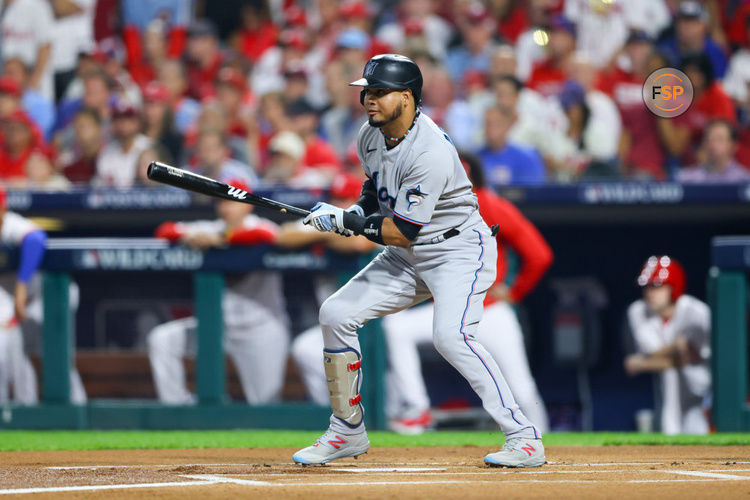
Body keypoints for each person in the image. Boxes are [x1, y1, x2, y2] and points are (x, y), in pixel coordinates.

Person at [293, 54, 545, 468]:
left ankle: (524, 437)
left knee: (452, 337)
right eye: (366, 92)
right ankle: (347, 430)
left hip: (458, 250)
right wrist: (352, 213)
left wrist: (349, 222)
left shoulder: (429, 150)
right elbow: (374, 191)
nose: (368, 99)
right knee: (335, 313)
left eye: (379, 92)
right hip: (409, 256)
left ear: (407, 98)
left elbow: (401, 230)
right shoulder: (369, 135)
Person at [382, 152, 552, 434]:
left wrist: (515, 292)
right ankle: (417, 408)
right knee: (397, 327)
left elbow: (539, 255)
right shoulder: (430, 207)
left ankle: (546, 440)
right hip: (450, 311)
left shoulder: (489, 204)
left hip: (489, 311)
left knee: (521, 386)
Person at [147, 180, 290, 405]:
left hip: (261, 330)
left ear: (248, 205)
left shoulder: (262, 226)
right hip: (217, 328)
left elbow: (265, 237)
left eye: (233, 201)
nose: (226, 207)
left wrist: (223, 240)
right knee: (162, 339)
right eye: (221, 202)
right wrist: (188, 236)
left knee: (266, 404)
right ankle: (179, 411)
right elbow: (164, 230)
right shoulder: (211, 228)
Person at [0, 187, 85, 405]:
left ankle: (75, 408)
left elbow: (36, 239)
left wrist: (21, 286)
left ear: (3, 207)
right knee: (14, 350)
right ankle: (25, 407)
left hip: (49, 295)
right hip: (14, 302)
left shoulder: (12, 223)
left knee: (56, 353)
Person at [624, 256, 711, 435]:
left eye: (657, 286)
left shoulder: (697, 312)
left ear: (674, 287)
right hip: (666, 394)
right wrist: (676, 348)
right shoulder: (638, 311)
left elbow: (695, 358)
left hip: (702, 392)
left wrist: (642, 363)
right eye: (647, 287)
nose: (650, 293)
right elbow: (654, 353)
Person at [677, 120, 750, 183]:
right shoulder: (686, 179)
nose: (713, 144)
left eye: (720, 139)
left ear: (733, 145)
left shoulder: (744, 180)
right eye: (709, 139)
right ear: (703, 143)